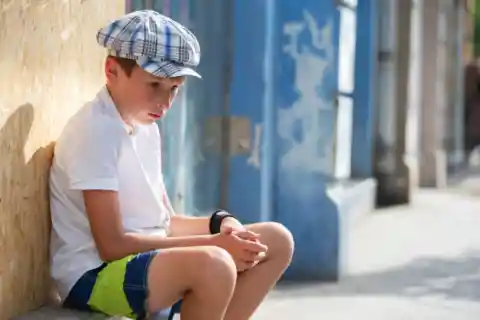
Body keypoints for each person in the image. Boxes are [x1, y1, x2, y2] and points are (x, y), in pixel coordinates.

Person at [49, 10, 294, 320]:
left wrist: (222, 224)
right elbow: (112, 245)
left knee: (276, 239)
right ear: (112, 70)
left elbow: (163, 222)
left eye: (174, 89)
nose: (164, 102)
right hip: (92, 276)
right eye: (154, 85)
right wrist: (214, 244)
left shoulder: (146, 129)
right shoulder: (95, 131)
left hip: (145, 263)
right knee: (215, 263)